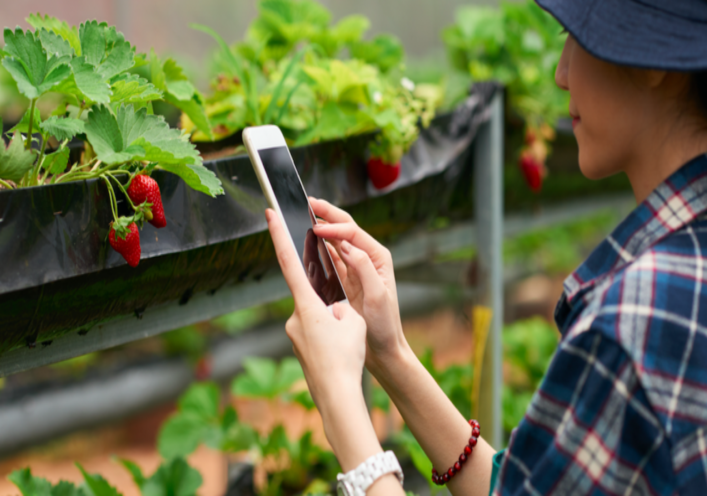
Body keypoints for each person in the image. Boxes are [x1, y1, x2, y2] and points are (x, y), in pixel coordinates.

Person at [264, 0, 707, 494]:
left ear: (653, 64)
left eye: (576, 40)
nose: (561, 75)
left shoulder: (634, 321)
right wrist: (390, 354)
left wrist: (340, 401)